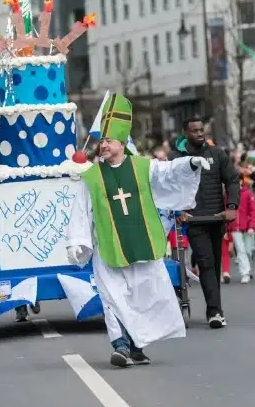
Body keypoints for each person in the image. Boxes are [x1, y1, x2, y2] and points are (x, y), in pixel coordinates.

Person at [66, 94, 208, 368]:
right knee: (112, 296)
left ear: (122, 143)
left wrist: (189, 164)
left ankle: (137, 345)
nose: (103, 145)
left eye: (108, 141)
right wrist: (78, 240)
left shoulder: (142, 166)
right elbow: (81, 210)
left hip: (142, 241)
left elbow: (166, 173)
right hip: (107, 247)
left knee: (143, 295)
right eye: (101, 141)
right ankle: (120, 345)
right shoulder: (91, 177)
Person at [168, 117, 239, 328]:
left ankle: (214, 306)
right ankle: (214, 312)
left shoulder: (217, 154)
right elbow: (169, 185)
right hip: (194, 220)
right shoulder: (177, 157)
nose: (199, 133)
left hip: (217, 218)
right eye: (194, 130)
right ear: (186, 133)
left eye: (201, 130)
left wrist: (232, 207)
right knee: (206, 263)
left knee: (214, 266)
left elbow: (232, 180)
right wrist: (178, 209)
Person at [228, 175, 255, 284]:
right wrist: (227, 228)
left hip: (247, 227)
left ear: (240, 181)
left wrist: (252, 226)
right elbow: (227, 211)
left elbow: (253, 210)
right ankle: (245, 273)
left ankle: (247, 269)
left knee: (248, 250)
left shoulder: (248, 193)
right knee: (240, 250)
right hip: (235, 227)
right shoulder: (229, 194)